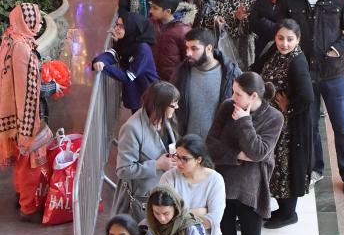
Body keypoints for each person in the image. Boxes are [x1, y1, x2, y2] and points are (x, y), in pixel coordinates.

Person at [281, 0, 344, 198]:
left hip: (332, 74)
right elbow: (282, 28)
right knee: (310, 124)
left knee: (342, 126)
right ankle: (315, 169)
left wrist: (338, 48)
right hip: (305, 74)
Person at [206, 72, 283, 235]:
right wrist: (238, 157)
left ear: (253, 97)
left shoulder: (273, 117)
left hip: (252, 186)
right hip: (224, 182)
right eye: (233, 92)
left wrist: (245, 122)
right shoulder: (227, 107)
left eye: (238, 94)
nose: (232, 97)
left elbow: (259, 151)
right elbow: (211, 144)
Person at [253, 21, 313, 227]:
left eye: (290, 39)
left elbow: (307, 96)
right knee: (275, 166)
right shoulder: (274, 51)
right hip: (271, 122)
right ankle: (278, 208)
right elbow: (256, 69)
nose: (284, 44)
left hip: (287, 128)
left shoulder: (297, 62)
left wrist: (288, 107)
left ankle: (288, 213)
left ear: (298, 40)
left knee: (285, 168)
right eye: (281, 38)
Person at [0, 3, 49, 221]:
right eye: (34, 21)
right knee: (31, 162)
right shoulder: (22, 49)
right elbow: (28, 92)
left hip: (9, 113)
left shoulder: (10, 36)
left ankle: (21, 194)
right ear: (25, 22)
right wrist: (27, 130)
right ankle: (28, 208)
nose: (37, 25)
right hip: (25, 118)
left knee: (21, 162)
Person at [112, 80, 180, 221]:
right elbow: (123, 169)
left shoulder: (166, 120)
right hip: (144, 202)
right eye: (173, 105)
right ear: (160, 106)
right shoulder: (132, 128)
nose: (177, 107)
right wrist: (157, 165)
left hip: (165, 195)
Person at [176, 29, 241, 140]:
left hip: (218, 146)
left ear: (209, 48)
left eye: (194, 48)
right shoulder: (181, 73)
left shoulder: (231, 74)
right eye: (187, 48)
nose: (188, 53)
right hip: (187, 145)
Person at [91, 12, 158, 113]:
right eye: (117, 24)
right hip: (136, 93)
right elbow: (113, 54)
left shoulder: (143, 49)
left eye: (121, 26)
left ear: (132, 28)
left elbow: (128, 76)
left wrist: (104, 67)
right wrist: (99, 60)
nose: (116, 28)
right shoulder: (126, 41)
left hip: (148, 96)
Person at [149, 0, 196, 82]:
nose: (150, 11)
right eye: (151, 6)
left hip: (173, 83)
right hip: (153, 78)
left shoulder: (183, 31)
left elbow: (188, 60)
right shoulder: (151, 22)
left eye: (155, 8)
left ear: (168, 12)